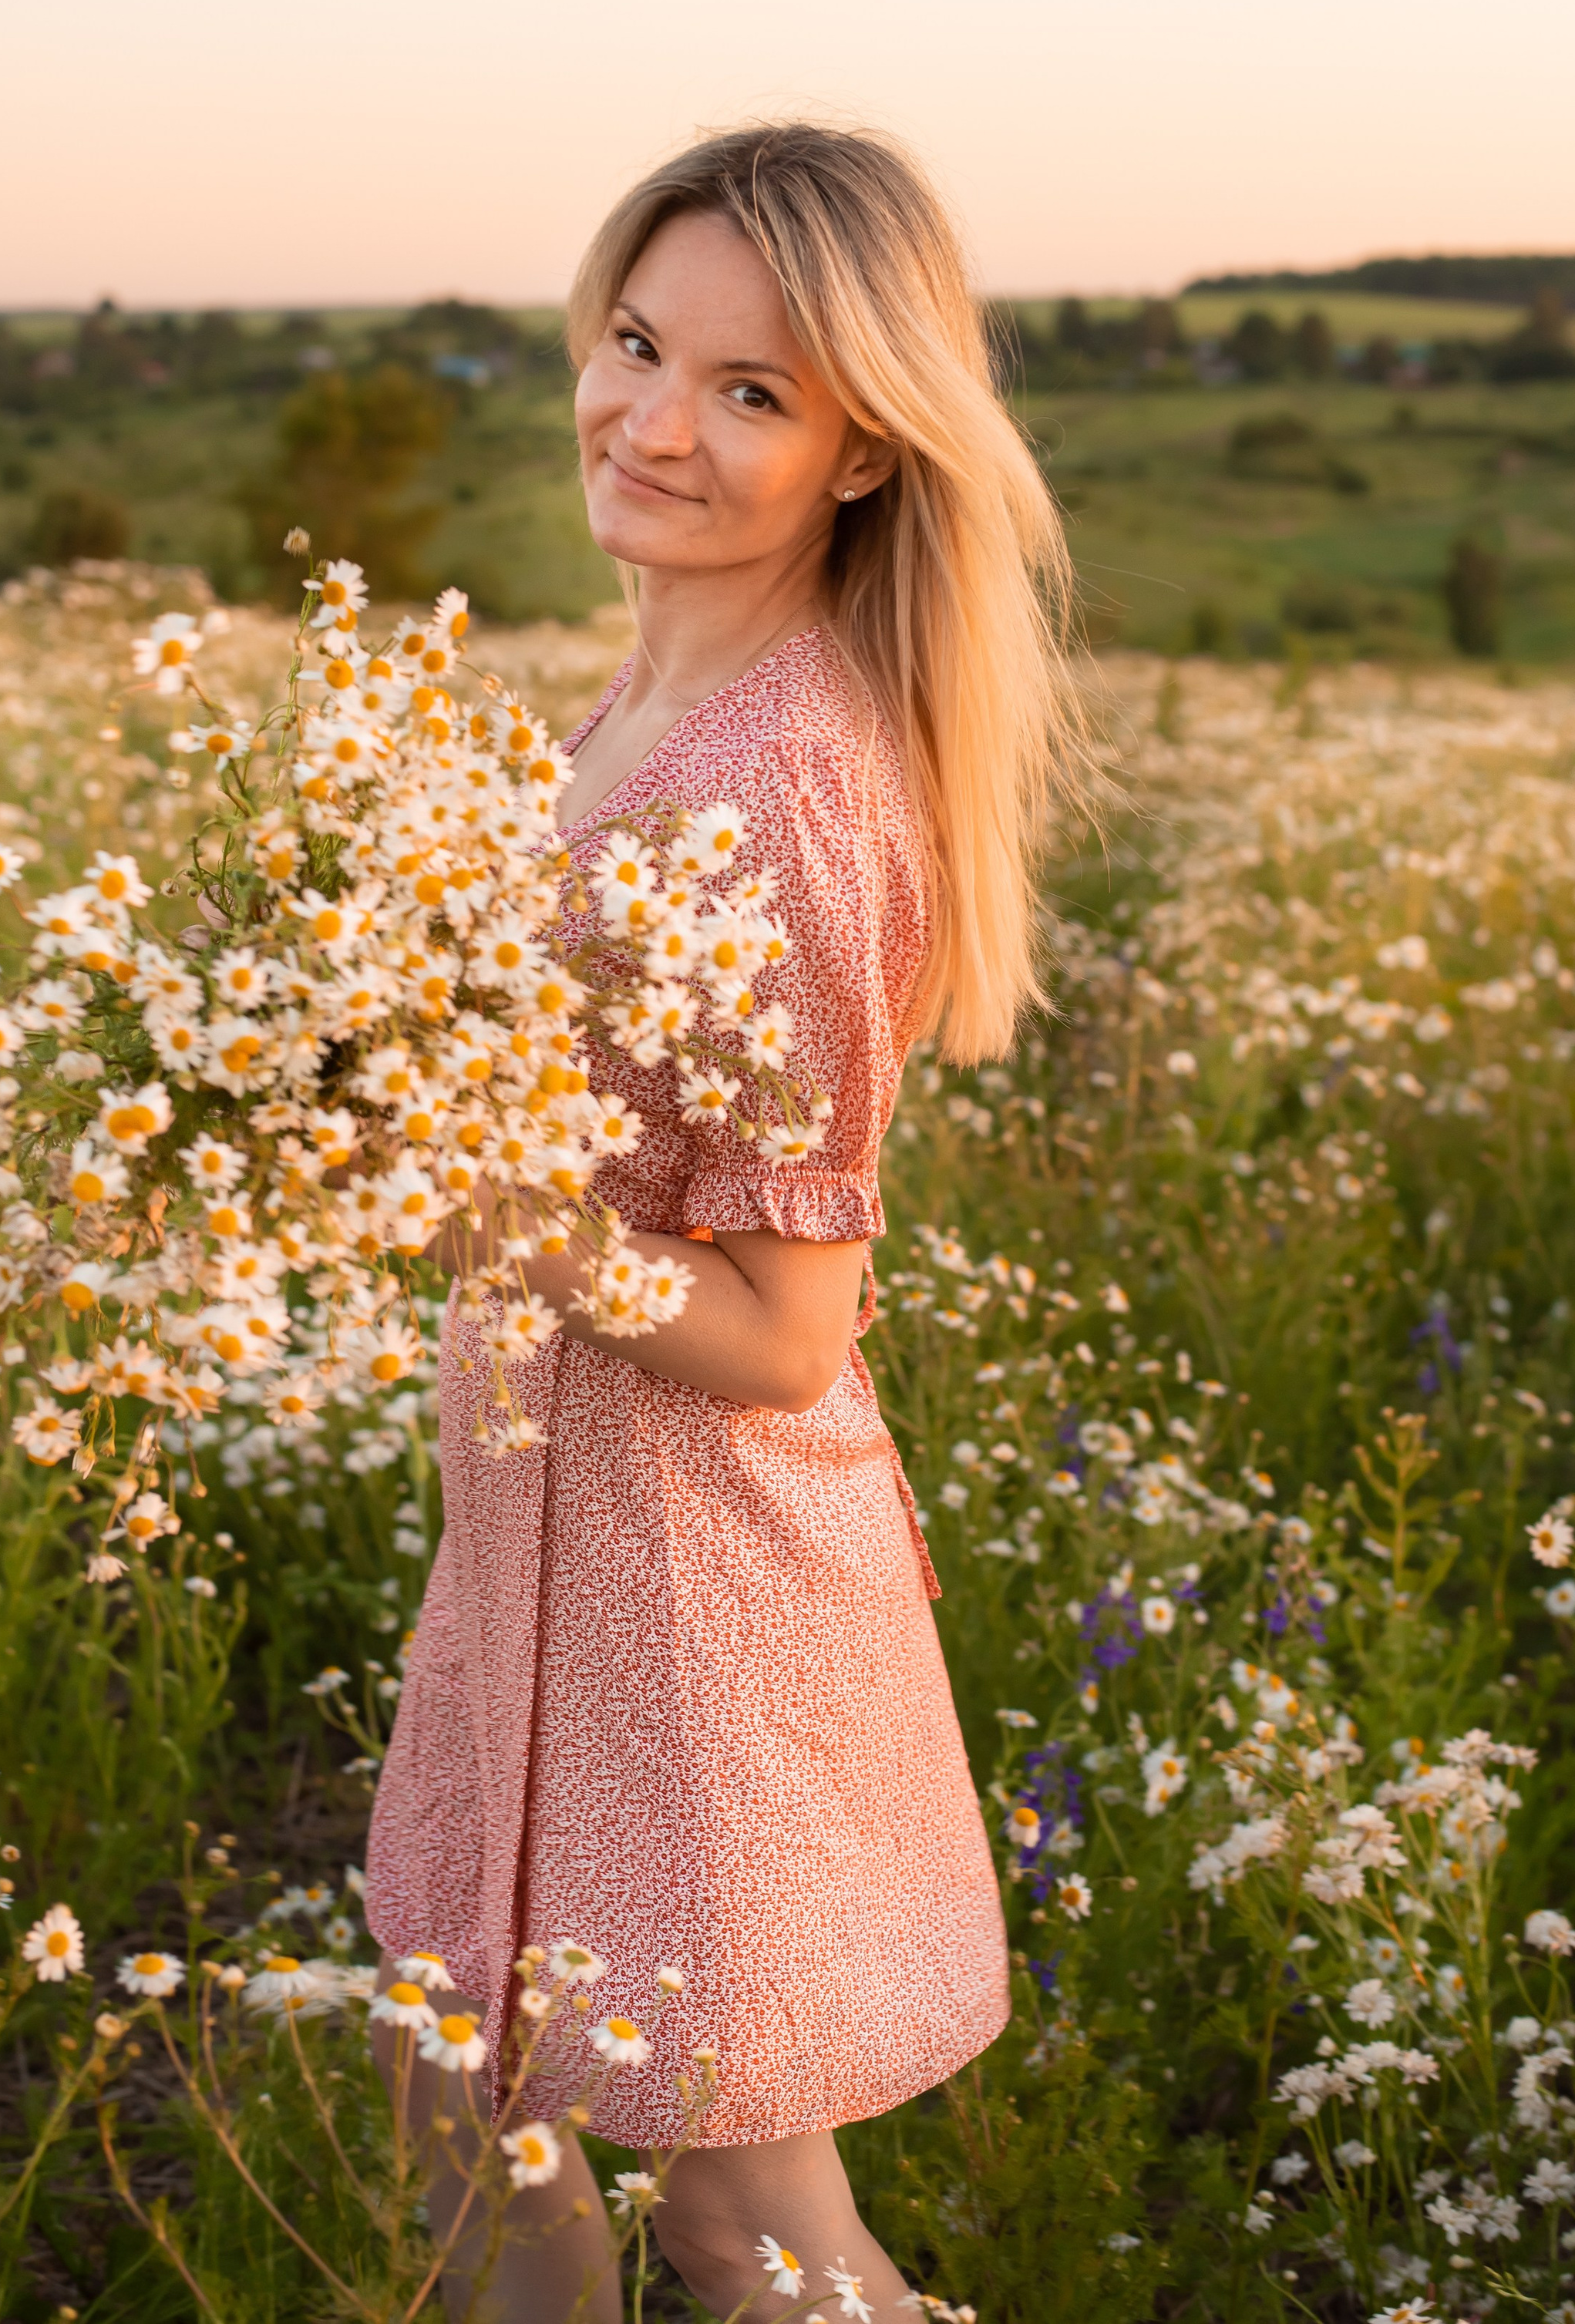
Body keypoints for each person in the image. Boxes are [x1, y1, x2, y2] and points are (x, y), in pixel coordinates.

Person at [366, 123, 1085, 2319]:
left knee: (745, 2223)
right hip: (551, 1539)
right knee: (470, 2107)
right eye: (637, 343)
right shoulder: (652, 697)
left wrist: (460, 1173)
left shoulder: (785, 786)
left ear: (866, 448)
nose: (654, 421)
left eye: (751, 390)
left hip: (692, 1600)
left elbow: (785, 1329)